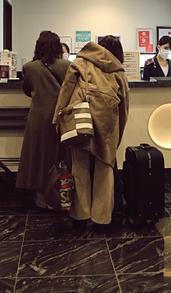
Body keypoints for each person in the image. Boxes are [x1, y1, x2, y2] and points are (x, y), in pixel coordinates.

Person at [53, 35, 129, 227]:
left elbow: (65, 91)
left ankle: (80, 215)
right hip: (107, 122)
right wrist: (118, 132)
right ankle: (102, 218)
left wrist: (57, 119)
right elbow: (124, 107)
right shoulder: (118, 71)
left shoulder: (81, 62)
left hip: (80, 120)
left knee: (80, 166)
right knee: (105, 166)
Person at [16, 31, 71, 208]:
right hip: (61, 118)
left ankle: (40, 198)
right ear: (58, 46)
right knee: (58, 156)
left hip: (38, 117)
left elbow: (27, 90)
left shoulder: (30, 67)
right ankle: (58, 196)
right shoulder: (67, 66)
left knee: (37, 157)